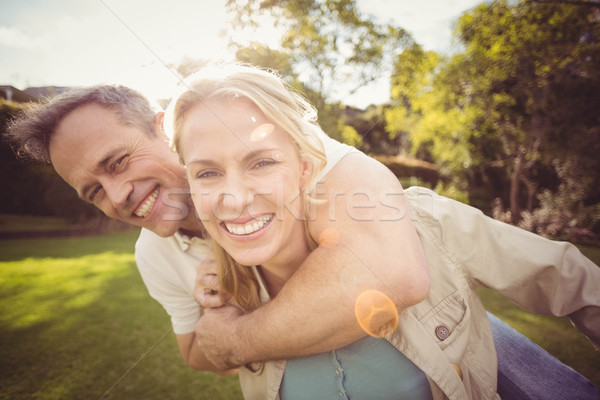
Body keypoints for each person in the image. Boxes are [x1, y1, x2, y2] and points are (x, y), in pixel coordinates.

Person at [6, 68, 599, 398]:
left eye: (117, 164)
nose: (118, 198)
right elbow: (197, 350)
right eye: (93, 192)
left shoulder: (309, 152)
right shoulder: (166, 257)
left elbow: (396, 275)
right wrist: (220, 322)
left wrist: (237, 339)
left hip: (443, 339)